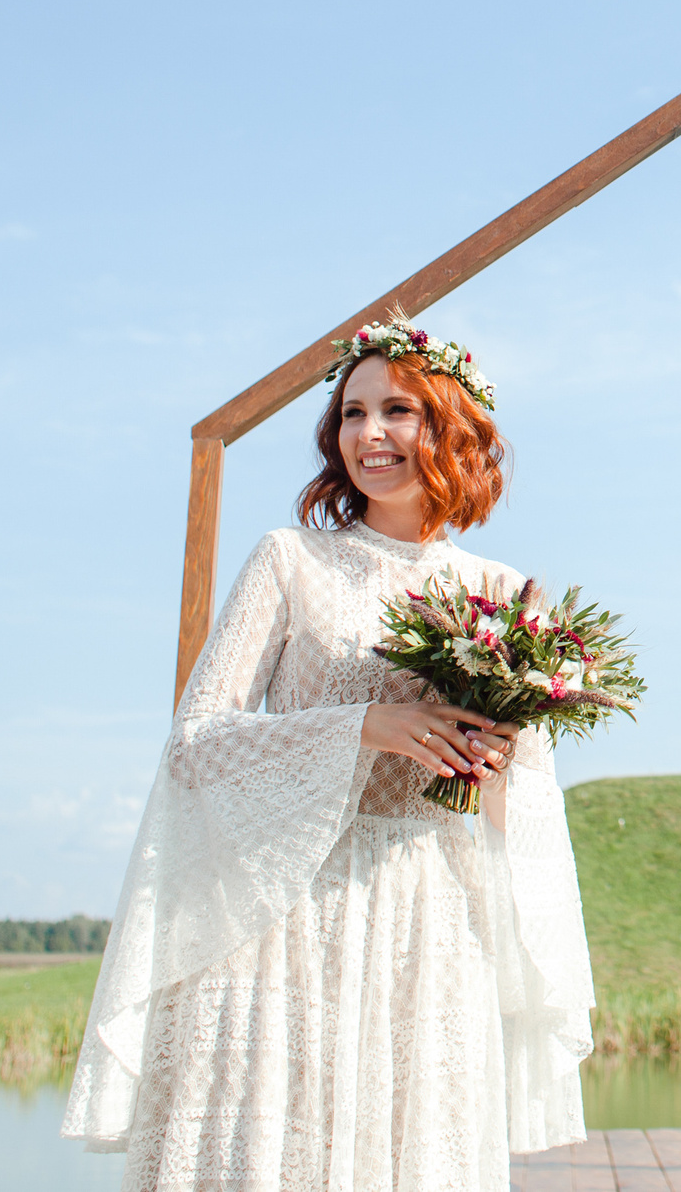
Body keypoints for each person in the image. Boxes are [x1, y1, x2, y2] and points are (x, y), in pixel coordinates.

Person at [65, 319, 594, 1192]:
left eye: (398, 410)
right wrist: (363, 726)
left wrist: (495, 767)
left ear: (453, 430)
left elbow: (528, 802)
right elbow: (195, 744)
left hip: (433, 917)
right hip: (288, 911)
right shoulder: (289, 560)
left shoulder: (504, 595)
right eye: (352, 413)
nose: (368, 434)